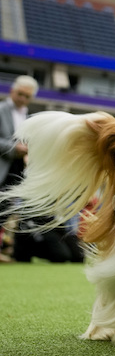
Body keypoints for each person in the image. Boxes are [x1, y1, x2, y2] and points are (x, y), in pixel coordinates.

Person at [0, 76, 83, 263]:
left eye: (27, 96)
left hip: (18, 169)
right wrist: (14, 148)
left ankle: (14, 250)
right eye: (20, 94)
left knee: (5, 212)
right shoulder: (1, 110)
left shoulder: (28, 117)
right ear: (12, 91)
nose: (22, 98)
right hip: (4, 165)